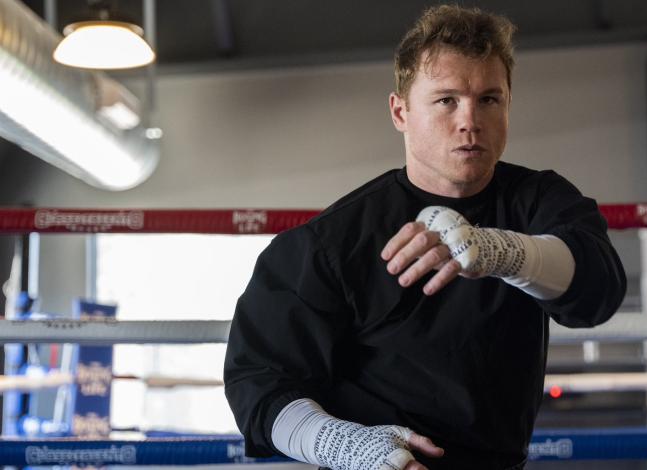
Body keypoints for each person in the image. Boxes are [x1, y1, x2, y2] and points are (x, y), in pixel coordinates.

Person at [224, 5, 626, 470]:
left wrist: (502, 251)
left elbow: (599, 289)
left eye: (490, 99)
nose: (469, 121)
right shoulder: (331, 242)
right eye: (446, 100)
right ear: (400, 111)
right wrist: (345, 446)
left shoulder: (537, 200)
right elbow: (259, 384)